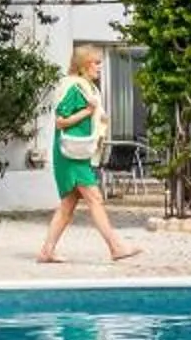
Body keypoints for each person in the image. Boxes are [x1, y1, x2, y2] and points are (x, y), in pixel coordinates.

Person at [38, 47, 139, 264]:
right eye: (96, 63)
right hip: (71, 155)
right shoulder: (75, 87)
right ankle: (116, 247)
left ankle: (47, 251)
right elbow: (60, 121)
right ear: (84, 65)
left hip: (76, 154)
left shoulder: (86, 87)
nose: (100, 67)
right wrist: (88, 112)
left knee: (68, 205)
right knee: (95, 198)